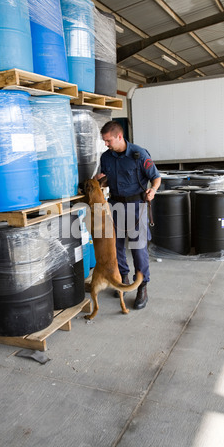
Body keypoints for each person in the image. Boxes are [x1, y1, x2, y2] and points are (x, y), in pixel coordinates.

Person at [95, 120, 161, 309]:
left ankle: (142, 286)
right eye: (104, 141)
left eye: (108, 141)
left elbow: (156, 177)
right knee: (116, 247)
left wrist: (153, 190)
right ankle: (122, 279)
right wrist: (100, 181)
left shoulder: (139, 155)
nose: (106, 144)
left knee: (138, 249)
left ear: (119, 137)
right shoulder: (106, 158)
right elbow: (108, 180)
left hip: (136, 205)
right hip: (114, 205)